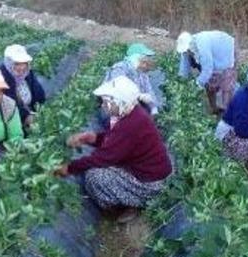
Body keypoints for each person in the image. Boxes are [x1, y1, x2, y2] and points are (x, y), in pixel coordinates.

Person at [54, 76, 172, 221]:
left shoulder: (130, 124)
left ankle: (131, 204)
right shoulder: (134, 113)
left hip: (151, 183)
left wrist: (69, 168)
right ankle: (131, 201)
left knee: (94, 177)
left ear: (119, 102)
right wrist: (92, 138)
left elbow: (102, 158)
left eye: (106, 102)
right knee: (103, 170)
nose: (103, 105)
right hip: (152, 173)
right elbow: (115, 141)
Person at [177, 30, 236, 115]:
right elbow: (183, 69)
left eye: (187, 50)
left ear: (190, 44)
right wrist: (182, 85)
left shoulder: (202, 44)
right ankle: (214, 109)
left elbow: (208, 69)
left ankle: (228, 115)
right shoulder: (186, 51)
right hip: (213, 55)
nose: (187, 52)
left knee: (226, 84)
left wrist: (197, 84)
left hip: (225, 49)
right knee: (210, 84)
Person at [103, 43, 160, 115]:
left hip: (132, 107)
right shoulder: (120, 68)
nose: (146, 65)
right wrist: (139, 95)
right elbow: (119, 88)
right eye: (144, 61)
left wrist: (153, 107)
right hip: (114, 107)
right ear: (137, 58)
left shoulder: (141, 73)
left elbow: (149, 90)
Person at [0, 44, 46, 132]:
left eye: (24, 63)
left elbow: (38, 92)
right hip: (12, 122)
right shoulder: (2, 80)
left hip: (30, 113)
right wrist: (25, 116)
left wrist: (38, 108)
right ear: (9, 63)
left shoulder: (28, 73)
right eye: (17, 64)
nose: (21, 67)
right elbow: (8, 105)